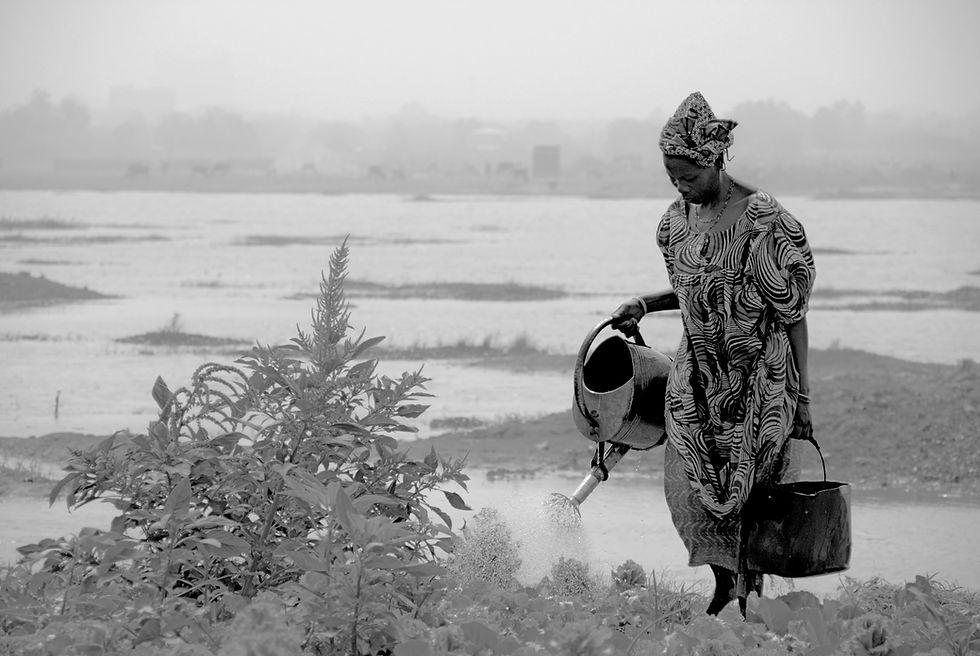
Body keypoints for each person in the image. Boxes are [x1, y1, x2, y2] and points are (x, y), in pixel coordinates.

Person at [611, 91, 816, 616]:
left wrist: (803, 397)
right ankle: (725, 583)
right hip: (695, 377)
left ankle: (747, 597)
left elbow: (791, 314)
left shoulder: (763, 221)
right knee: (687, 487)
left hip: (755, 382)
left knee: (751, 497)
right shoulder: (674, 223)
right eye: (672, 177)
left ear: (716, 159)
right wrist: (645, 303)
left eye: (689, 176)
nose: (681, 186)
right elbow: (692, 290)